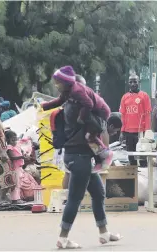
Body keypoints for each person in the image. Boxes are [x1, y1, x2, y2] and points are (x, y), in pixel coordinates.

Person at [41, 66, 121, 249]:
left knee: (98, 193)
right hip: (79, 158)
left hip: (80, 158)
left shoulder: (72, 104)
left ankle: (104, 233)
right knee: (75, 199)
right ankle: (63, 238)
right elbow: (97, 123)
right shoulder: (79, 109)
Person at [43, 66, 112, 173]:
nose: (56, 86)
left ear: (66, 82)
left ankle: (106, 154)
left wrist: (81, 117)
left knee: (90, 136)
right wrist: (44, 106)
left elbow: (89, 104)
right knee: (89, 138)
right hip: (91, 113)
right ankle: (98, 160)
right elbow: (59, 101)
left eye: (58, 83)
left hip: (100, 112)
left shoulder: (76, 91)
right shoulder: (67, 92)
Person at [62, 114, 123, 190]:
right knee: (71, 173)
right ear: (111, 126)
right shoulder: (103, 128)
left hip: (70, 144)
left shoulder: (97, 121)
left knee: (69, 172)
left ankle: (65, 196)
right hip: (75, 148)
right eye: (116, 131)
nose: (115, 133)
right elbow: (105, 151)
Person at [5, 130, 37, 204]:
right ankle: (15, 199)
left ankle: (17, 198)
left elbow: (20, 152)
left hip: (19, 168)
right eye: (12, 140)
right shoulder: (9, 147)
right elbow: (12, 157)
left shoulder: (16, 146)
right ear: (7, 140)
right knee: (16, 184)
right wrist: (22, 157)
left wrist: (24, 155)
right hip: (14, 168)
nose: (14, 142)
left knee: (19, 184)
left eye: (15, 140)